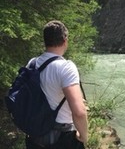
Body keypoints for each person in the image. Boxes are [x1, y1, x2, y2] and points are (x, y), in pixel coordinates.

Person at [25, 20, 88, 148]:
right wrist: (84, 136)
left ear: (45, 41)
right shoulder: (66, 67)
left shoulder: (32, 64)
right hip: (61, 138)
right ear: (65, 40)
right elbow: (79, 112)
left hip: (35, 136)